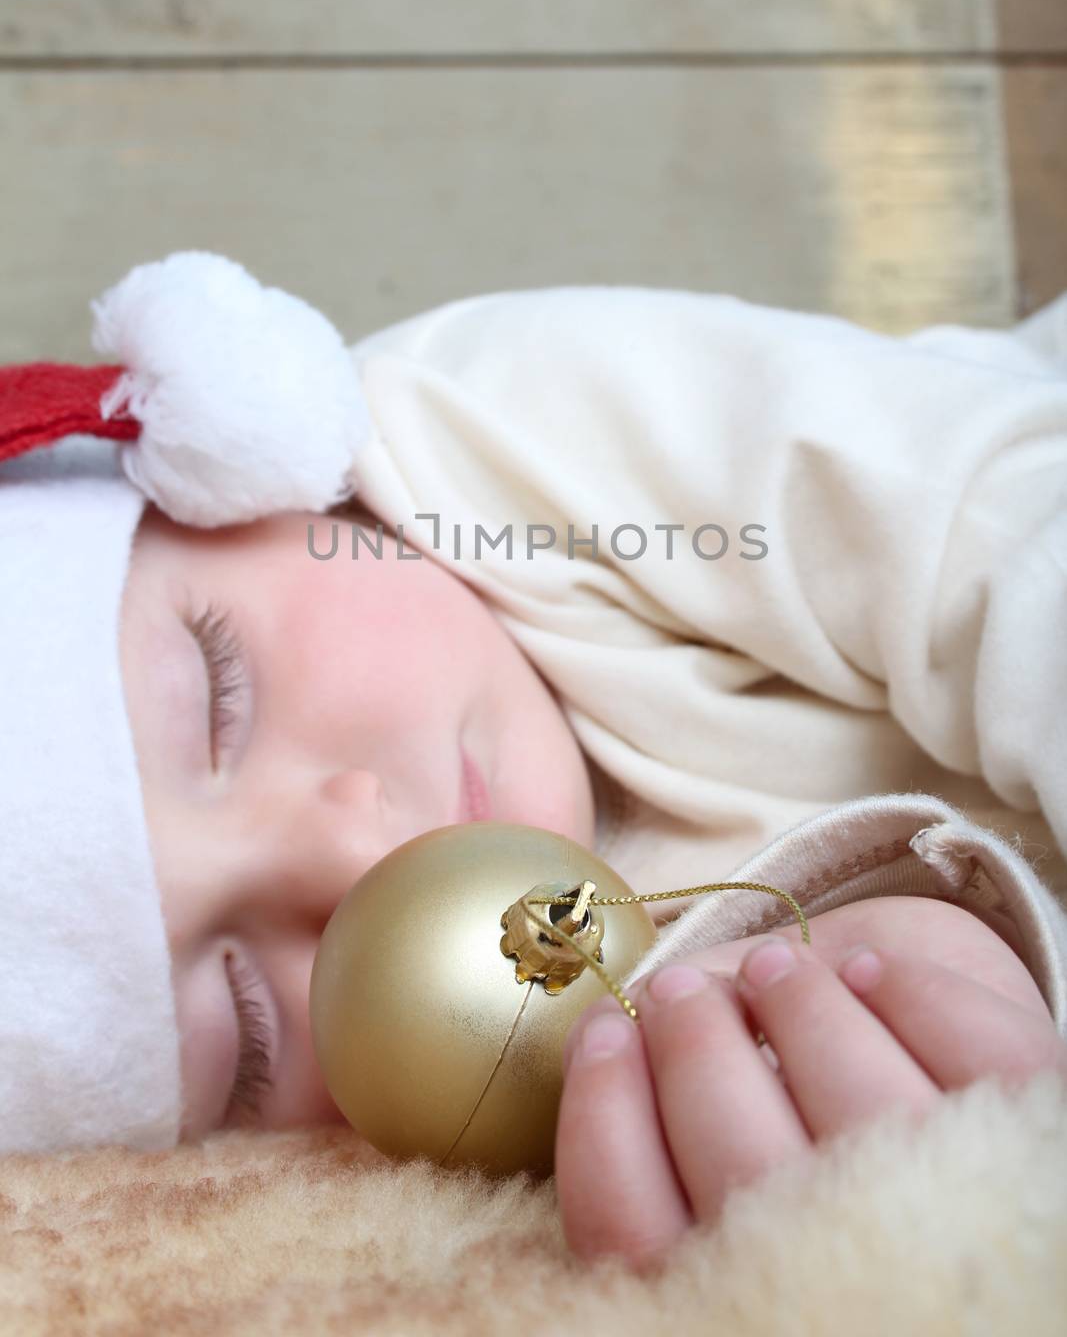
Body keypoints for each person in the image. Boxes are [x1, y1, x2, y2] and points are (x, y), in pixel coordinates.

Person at [2, 252, 1065, 1271]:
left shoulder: (497, 429)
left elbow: (1011, 539)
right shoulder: (507, 1089)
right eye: (247, 1036)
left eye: (222, 695)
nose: (353, 847)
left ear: (245, 484)